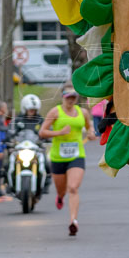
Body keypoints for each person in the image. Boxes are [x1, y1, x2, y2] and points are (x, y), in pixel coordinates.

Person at [39, 88, 97, 236]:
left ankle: (73, 221)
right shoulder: (55, 112)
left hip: (77, 155)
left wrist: (90, 133)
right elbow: (42, 132)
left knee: (73, 188)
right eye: (68, 97)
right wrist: (59, 133)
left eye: (73, 97)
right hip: (58, 156)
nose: (71, 100)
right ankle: (60, 196)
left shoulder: (82, 112)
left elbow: (89, 126)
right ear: (63, 98)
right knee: (62, 190)